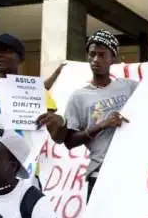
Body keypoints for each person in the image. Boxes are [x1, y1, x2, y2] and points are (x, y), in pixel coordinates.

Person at [41, 30, 137, 201]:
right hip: (100, 174)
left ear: (113, 58)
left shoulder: (130, 87)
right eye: (92, 54)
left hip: (131, 172)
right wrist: (102, 125)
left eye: (102, 55)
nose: (95, 60)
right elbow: (69, 142)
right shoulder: (79, 97)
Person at [0, 33, 63, 186]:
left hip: (22, 174)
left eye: (6, 50)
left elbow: (56, 135)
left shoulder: (36, 91)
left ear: (20, 58)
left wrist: (58, 122)